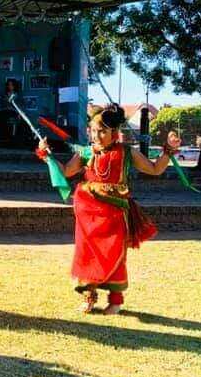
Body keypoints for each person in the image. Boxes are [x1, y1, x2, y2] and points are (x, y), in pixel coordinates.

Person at [38, 105, 181, 315]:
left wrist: (168, 150)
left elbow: (155, 169)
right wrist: (47, 156)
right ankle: (89, 297)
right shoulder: (86, 152)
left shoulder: (127, 152)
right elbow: (67, 171)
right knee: (87, 254)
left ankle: (115, 301)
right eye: (93, 131)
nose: (96, 136)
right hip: (88, 213)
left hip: (115, 212)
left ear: (115, 132)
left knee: (115, 254)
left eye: (102, 131)